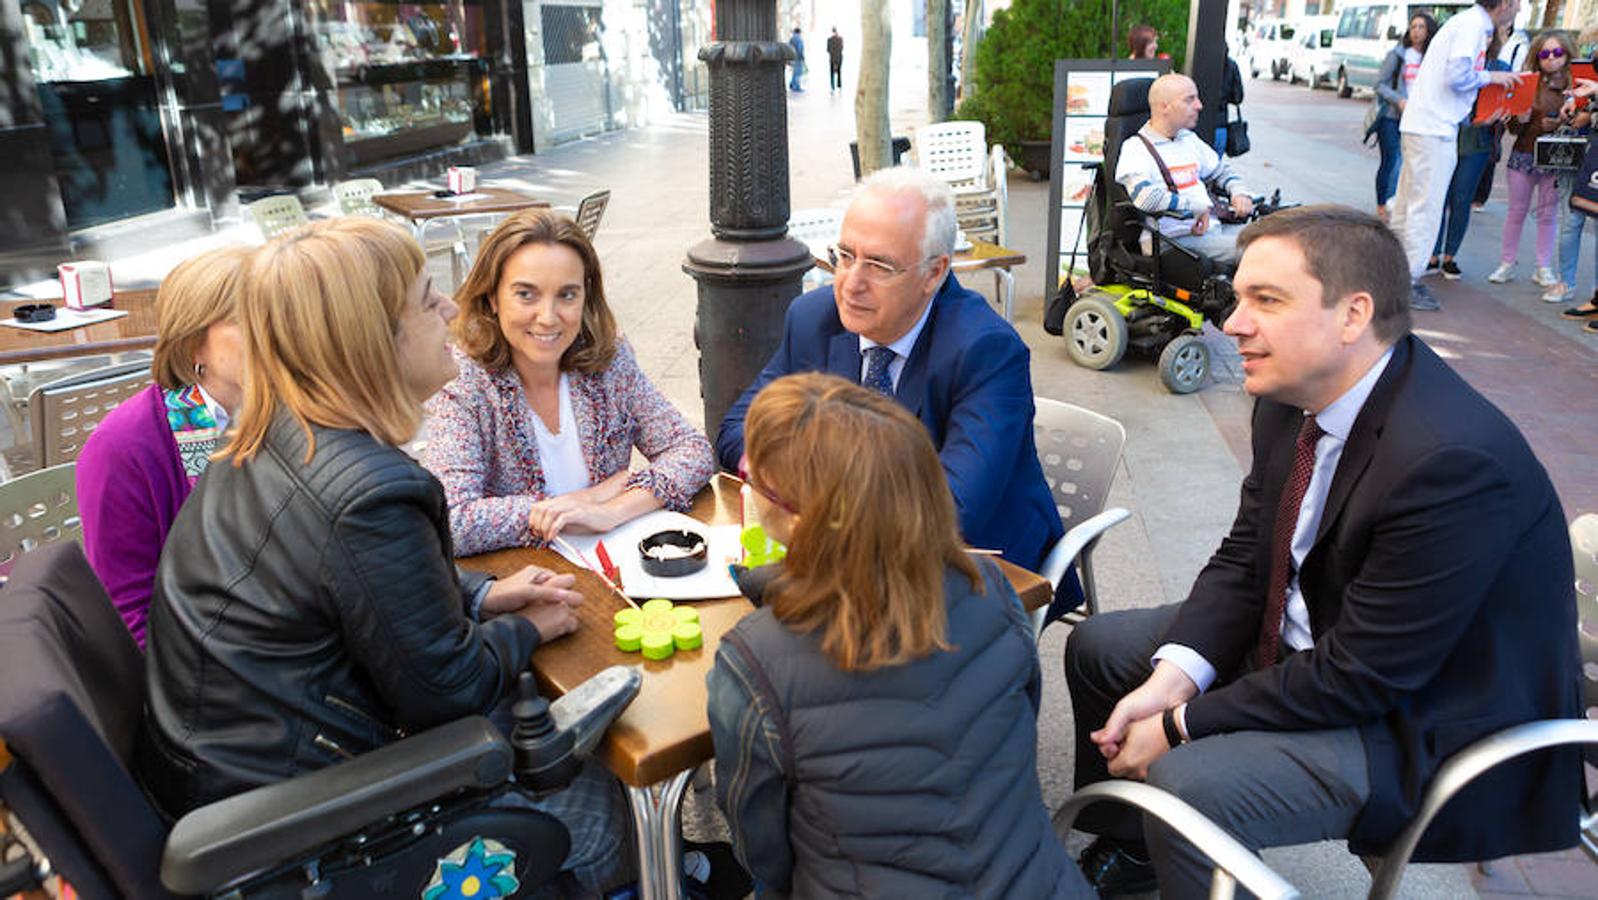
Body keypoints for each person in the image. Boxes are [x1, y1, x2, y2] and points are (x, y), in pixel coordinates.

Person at [1063, 205, 1580, 898]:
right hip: (1327, 643)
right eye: (1237, 296)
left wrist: (1180, 723)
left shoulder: (1449, 460)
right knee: (1104, 648)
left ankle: (1181, 843)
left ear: (1352, 314)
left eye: (1266, 301)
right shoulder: (1291, 392)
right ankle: (1136, 853)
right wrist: (1172, 681)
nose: (1232, 324)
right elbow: (1248, 553)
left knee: (1187, 783)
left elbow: (1364, 676)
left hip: (1419, 721)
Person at [138, 218, 630, 893]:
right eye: (428, 300)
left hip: (225, 789)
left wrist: (482, 595)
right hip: (295, 846)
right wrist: (528, 628)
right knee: (606, 813)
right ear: (373, 340)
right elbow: (449, 694)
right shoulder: (370, 492)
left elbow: (341, 580)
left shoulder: (274, 433)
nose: (452, 309)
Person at [708, 372, 1093, 898]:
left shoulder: (754, 659)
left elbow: (760, 847)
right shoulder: (995, 588)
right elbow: (1017, 743)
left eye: (755, 478)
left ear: (803, 522)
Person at [713, 166, 1066, 585]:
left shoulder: (986, 349)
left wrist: (811, 493)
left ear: (934, 272)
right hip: (842, 550)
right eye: (844, 256)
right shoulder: (813, 318)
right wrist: (768, 467)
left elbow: (951, 507)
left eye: (879, 265)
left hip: (972, 564)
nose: (849, 284)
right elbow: (738, 429)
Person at [423, 209, 713, 556]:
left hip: (616, 570)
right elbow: (450, 520)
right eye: (526, 295)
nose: (548, 317)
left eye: (567, 295)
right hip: (526, 584)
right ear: (492, 298)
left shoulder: (609, 360)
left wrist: (612, 509)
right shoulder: (464, 381)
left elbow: (692, 450)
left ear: (585, 297)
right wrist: (577, 502)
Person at [76, 246, 250, 649]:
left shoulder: (285, 412)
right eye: (251, 320)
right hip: (199, 669)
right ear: (194, 342)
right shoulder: (123, 448)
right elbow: (129, 617)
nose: (278, 335)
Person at [1388, 0, 1523, 311]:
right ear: (1503, 4)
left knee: (1410, 205)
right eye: (1517, 3)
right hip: (1434, 129)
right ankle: (1407, 280)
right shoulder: (1473, 26)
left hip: (1426, 126)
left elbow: (1453, 80)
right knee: (1425, 208)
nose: (1518, 9)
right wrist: (1493, 78)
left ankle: (1396, 274)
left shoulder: (1466, 23)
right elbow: (1458, 76)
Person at [1116, 73, 1255, 266]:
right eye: (1190, 100)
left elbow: (1221, 171)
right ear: (1165, 107)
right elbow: (1145, 197)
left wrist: (1239, 192)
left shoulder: (1188, 139)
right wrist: (1194, 206)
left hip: (1210, 230)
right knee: (1259, 252)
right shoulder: (1135, 148)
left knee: (1278, 239)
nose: (1199, 105)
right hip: (1171, 239)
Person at [1488, 31, 1578, 288]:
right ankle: (1507, 263)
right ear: (1536, 57)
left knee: (1548, 214)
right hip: (1524, 155)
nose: (1551, 59)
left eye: (1557, 53)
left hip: (1557, 158)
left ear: (1567, 54)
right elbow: (1514, 127)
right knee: (1516, 211)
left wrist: (1562, 121)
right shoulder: (1529, 83)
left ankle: (1543, 267)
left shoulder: (1576, 86)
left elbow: (1581, 121)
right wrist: (1521, 119)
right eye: (1545, 53)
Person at [1371, 13, 1436, 222]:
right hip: (1392, 117)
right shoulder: (1398, 55)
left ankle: (1400, 204)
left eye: (1421, 27)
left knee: (1410, 163)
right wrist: (1399, 100)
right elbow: (1379, 84)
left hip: (1419, 120)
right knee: (1392, 161)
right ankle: (1384, 204)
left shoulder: (1432, 58)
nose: (1416, 31)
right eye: (1413, 26)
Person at [788, 27, 805, 92]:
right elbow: (800, 49)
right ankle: (796, 86)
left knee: (794, 72)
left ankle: (792, 84)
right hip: (798, 58)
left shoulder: (792, 39)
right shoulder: (799, 39)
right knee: (798, 73)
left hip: (792, 57)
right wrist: (802, 57)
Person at [826, 27, 843, 93]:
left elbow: (827, 50)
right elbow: (842, 48)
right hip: (839, 58)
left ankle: (832, 88)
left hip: (832, 58)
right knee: (839, 72)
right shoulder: (840, 39)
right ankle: (839, 86)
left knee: (832, 73)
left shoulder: (829, 40)